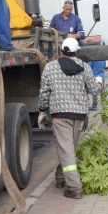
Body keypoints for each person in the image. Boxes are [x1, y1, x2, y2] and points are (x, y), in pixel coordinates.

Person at [38, 37, 98, 199]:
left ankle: (75, 188)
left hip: (60, 115)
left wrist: (43, 109)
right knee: (68, 149)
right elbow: (94, 89)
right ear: (76, 51)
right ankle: (60, 177)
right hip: (79, 115)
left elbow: (44, 92)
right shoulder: (84, 67)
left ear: (61, 51)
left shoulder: (50, 68)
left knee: (66, 150)